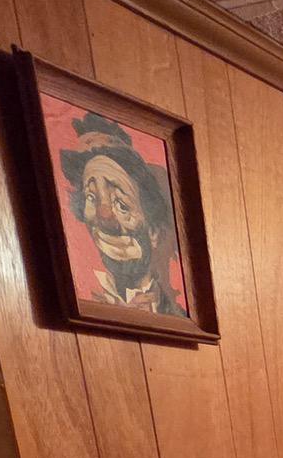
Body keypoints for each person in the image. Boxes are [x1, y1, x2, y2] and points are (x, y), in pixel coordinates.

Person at [57, 111, 186, 316]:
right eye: (92, 197)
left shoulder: (174, 313)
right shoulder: (76, 295)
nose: (104, 217)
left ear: (153, 231)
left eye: (122, 204)